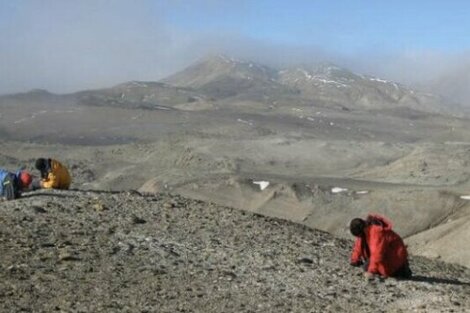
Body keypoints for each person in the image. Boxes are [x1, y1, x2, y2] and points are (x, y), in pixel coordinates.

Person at [349, 214, 412, 279]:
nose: (359, 237)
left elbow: (377, 253)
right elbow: (358, 245)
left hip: (394, 259)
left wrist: (371, 271)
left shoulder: (376, 232)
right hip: (387, 257)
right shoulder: (365, 231)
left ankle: (402, 271)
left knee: (367, 267)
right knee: (367, 266)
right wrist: (355, 259)